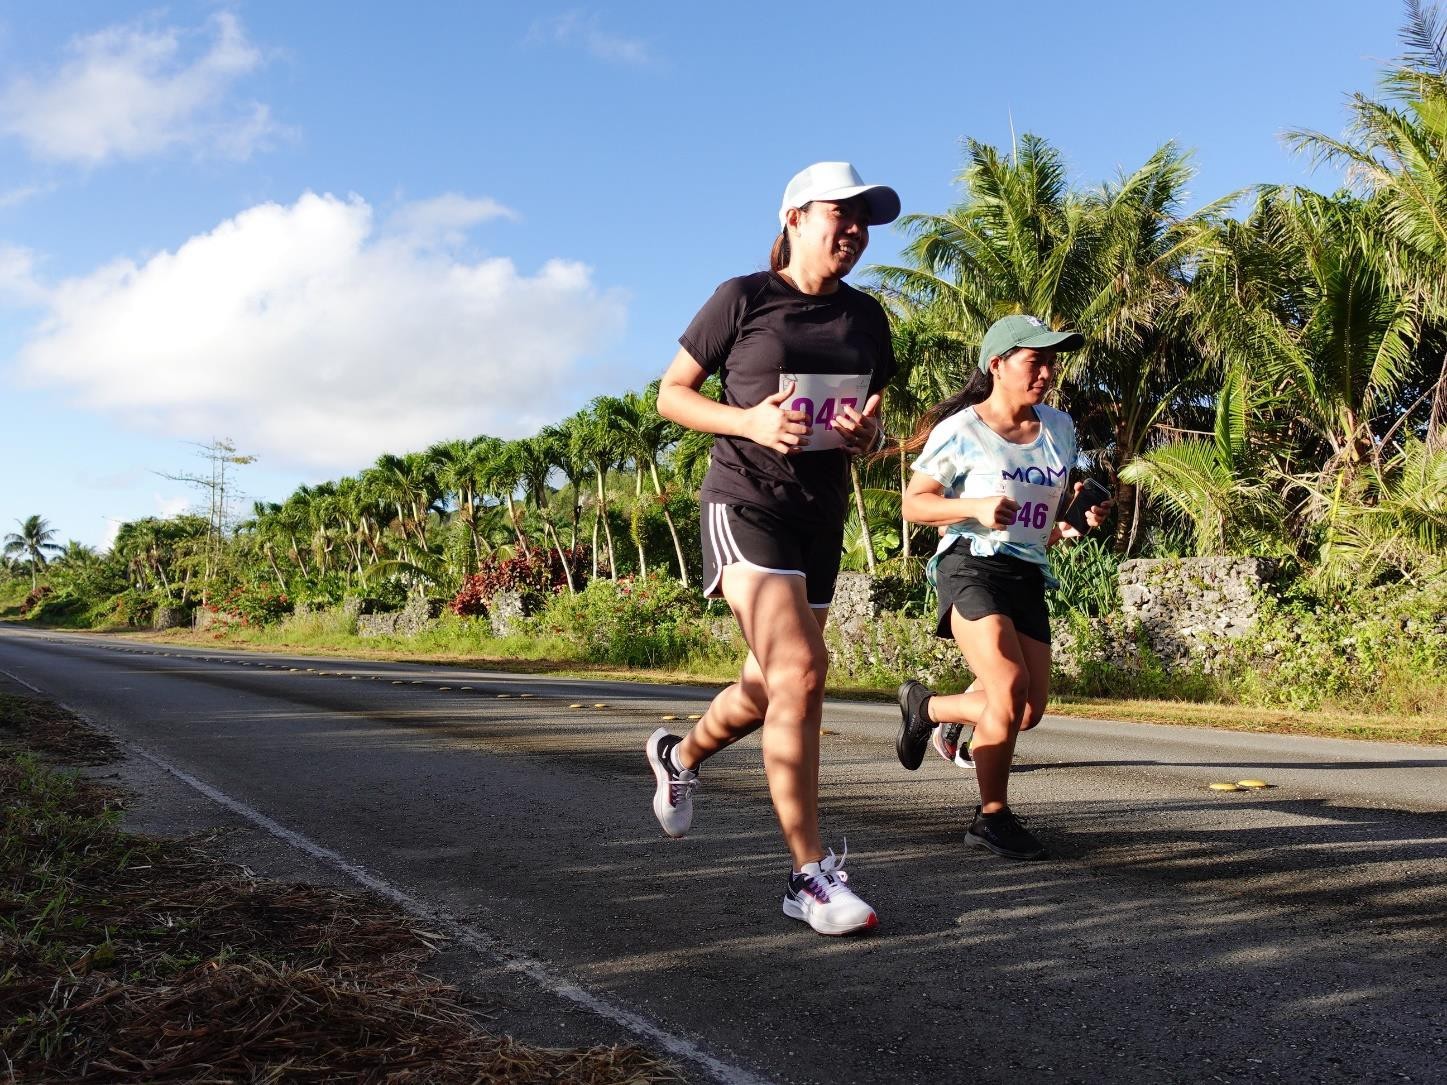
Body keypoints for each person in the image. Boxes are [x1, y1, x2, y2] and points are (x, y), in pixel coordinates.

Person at [646, 162, 900, 935]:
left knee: (766, 688)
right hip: (743, 502)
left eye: (865, 218)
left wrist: (869, 437)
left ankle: (678, 757)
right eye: (841, 213)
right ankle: (807, 876)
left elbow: (873, 422)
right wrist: (750, 421)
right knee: (801, 671)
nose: (854, 229)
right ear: (793, 217)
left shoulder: (868, 318)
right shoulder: (743, 298)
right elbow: (671, 393)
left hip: (817, 519)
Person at [893, 315, 1111, 860]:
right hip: (970, 563)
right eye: (1035, 360)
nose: (1047, 371)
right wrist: (974, 508)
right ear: (997, 364)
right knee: (1007, 686)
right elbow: (914, 503)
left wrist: (1076, 519)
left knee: (1027, 710)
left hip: (1027, 570)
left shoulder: (1059, 428)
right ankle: (991, 817)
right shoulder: (962, 430)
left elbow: (1040, 517)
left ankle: (928, 709)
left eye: (1051, 361)